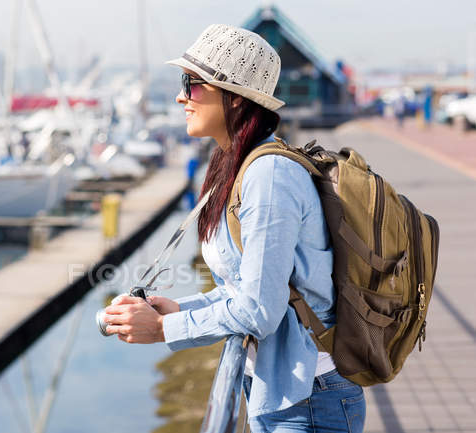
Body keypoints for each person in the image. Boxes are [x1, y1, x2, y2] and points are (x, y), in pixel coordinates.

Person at [103, 24, 365, 433]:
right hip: (280, 392)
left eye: (191, 84)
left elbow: (260, 310)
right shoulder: (237, 166)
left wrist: (161, 329)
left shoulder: (269, 175)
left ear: (235, 97)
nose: (180, 96)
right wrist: (180, 309)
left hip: (309, 401)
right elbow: (243, 288)